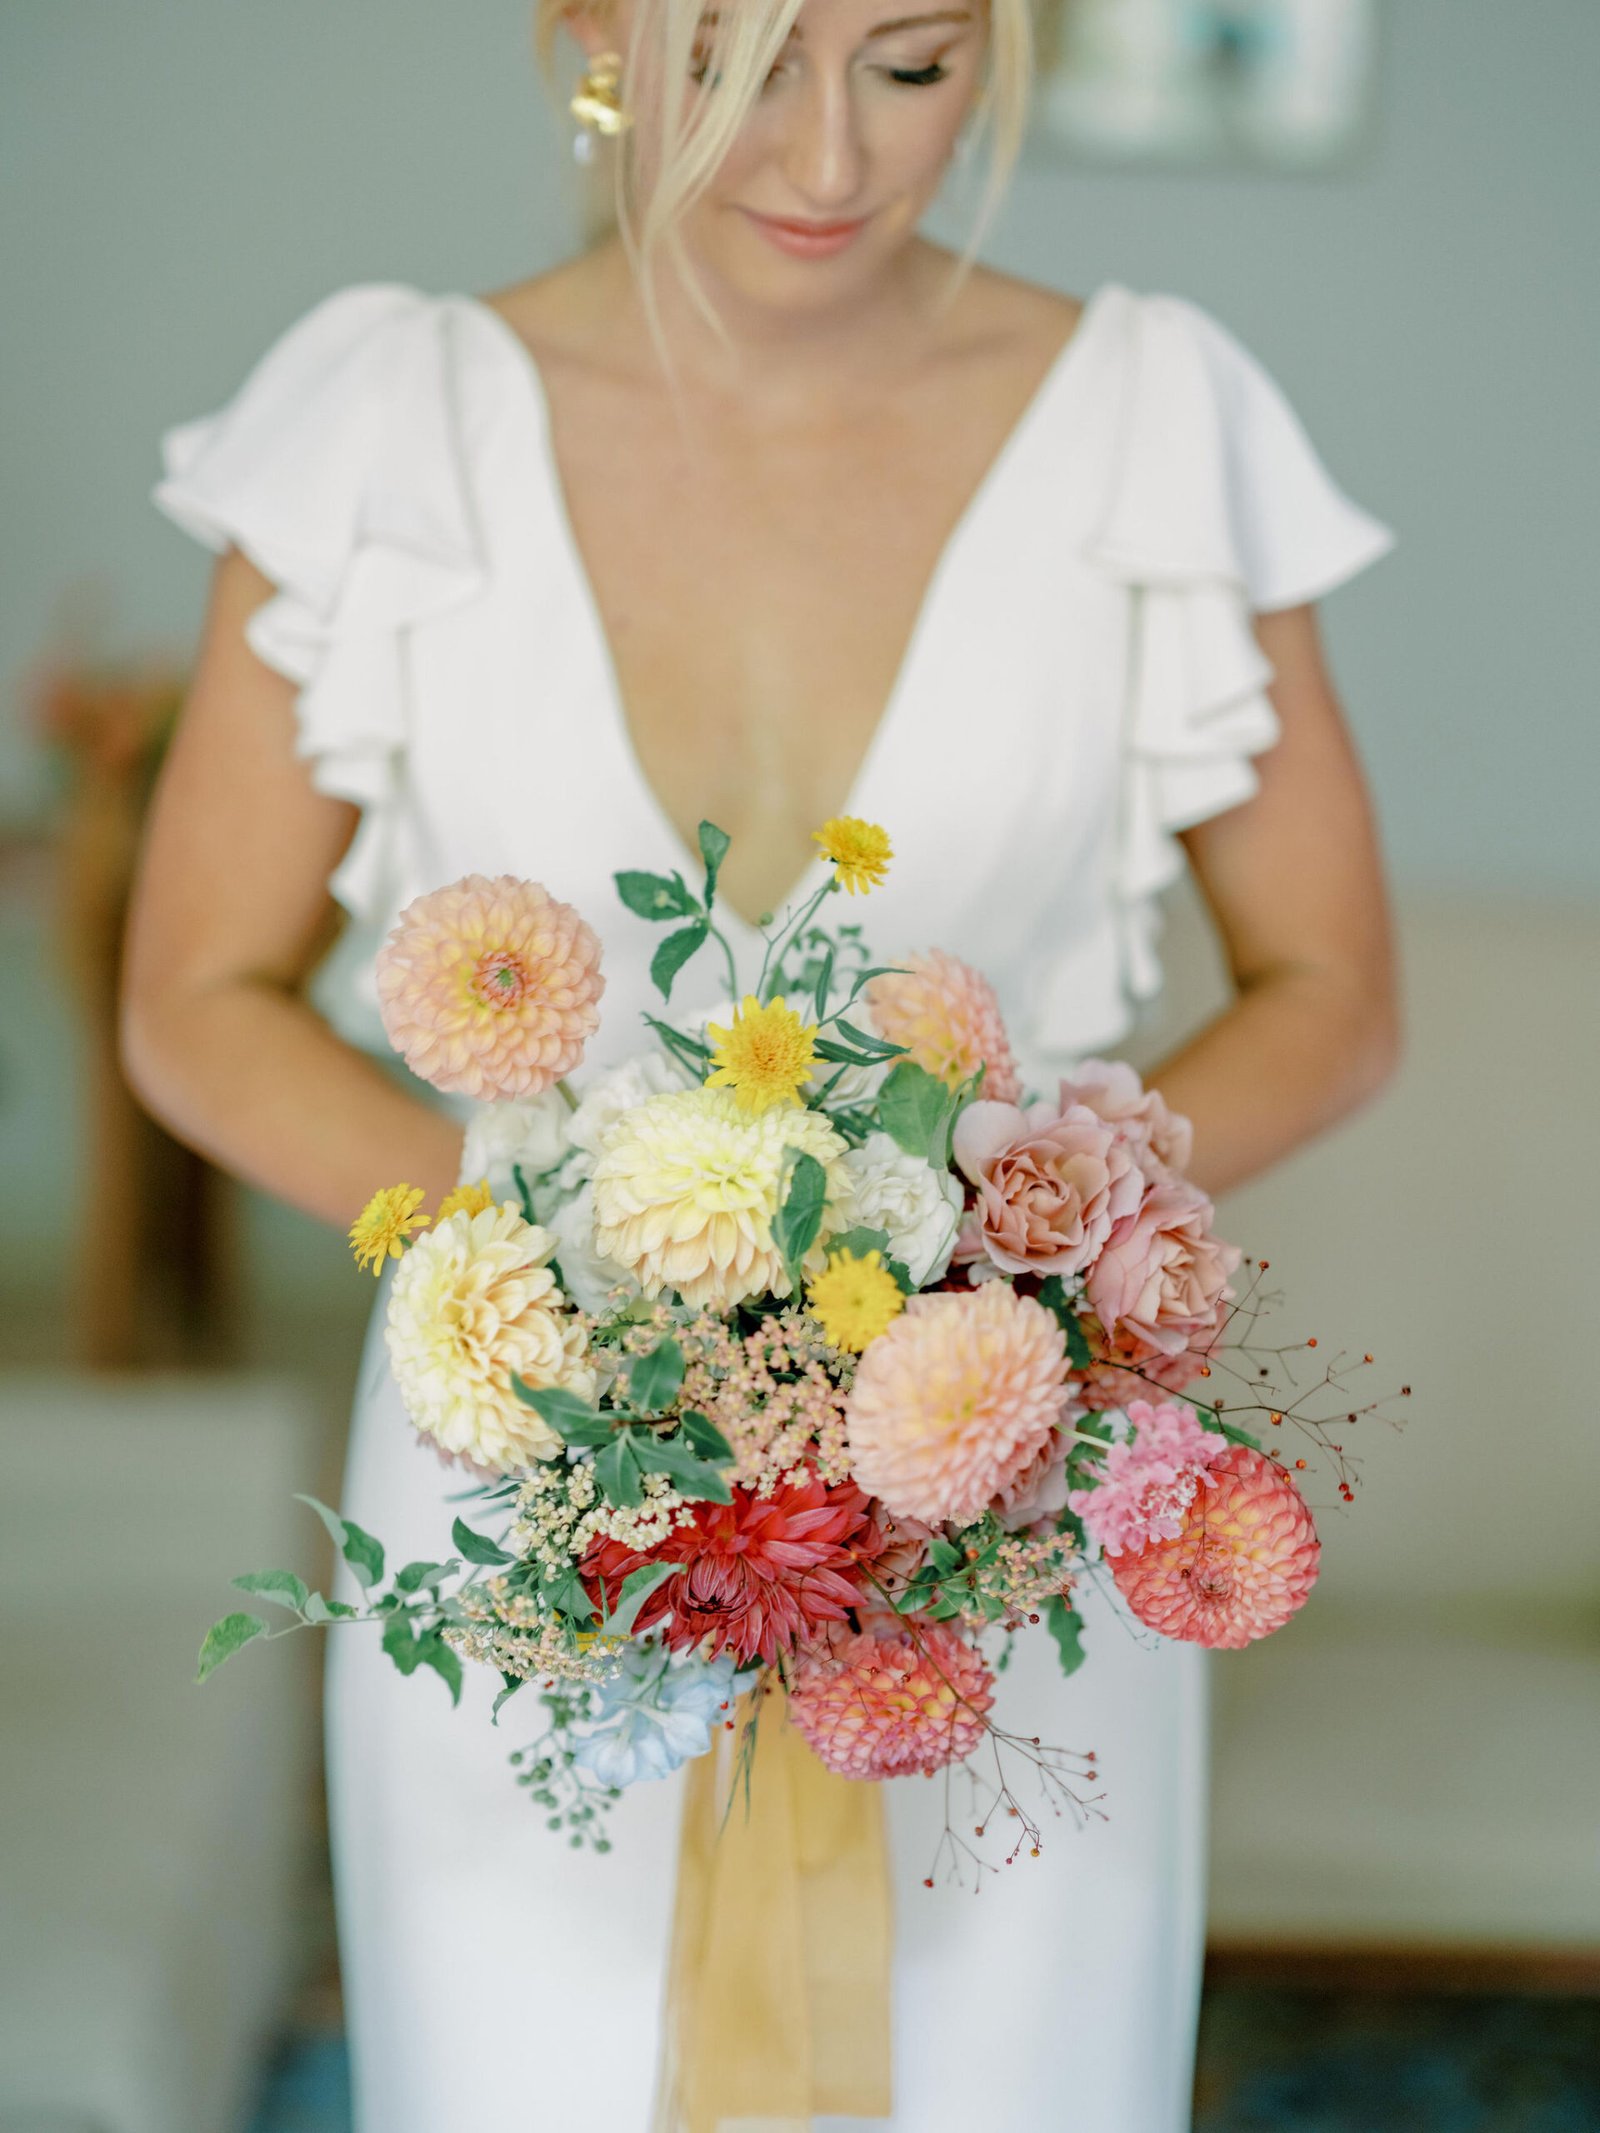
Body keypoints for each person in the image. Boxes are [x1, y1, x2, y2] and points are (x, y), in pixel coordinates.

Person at [121, 0, 1400, 2123]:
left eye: (907, 70)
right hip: (526, 1471)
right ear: (593, 40)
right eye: (738, 71)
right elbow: (192, 992)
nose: (825, 164)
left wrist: (1010, 1268)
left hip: (995, 1475)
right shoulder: (382, 423)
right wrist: (571, 1291)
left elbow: (1332, 987)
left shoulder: (1148, 418)